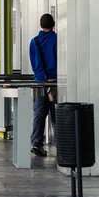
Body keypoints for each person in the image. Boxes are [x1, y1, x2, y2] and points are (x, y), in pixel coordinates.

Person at [29, 13, 57, 156]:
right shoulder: (57, 39)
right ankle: (60, 143)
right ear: (53, 25)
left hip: (39, 82)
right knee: (56, 113)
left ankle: (36, 143)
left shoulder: (34, 41)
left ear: (40, 25)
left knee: (39, 113)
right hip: (54, 83)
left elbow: (33, 63)